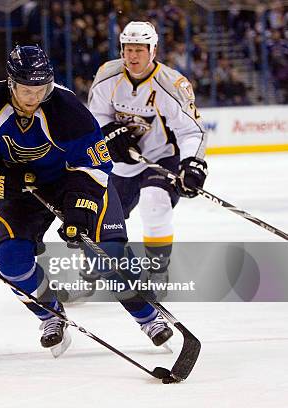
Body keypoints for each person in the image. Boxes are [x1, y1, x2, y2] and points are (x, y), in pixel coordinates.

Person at [0, 45, 173, 357]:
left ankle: (148, 317)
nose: (34, 97)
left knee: (106, 255)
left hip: (74, 182)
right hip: (18, 190)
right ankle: (50, 315)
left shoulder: (67, 109)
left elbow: (97, 167)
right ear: (10, 84)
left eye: (41, 89)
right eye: (26, 90)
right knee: (12, 262)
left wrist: (79, 211)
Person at [88, 22, 207, 297]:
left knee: (155, 202)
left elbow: (191, 130)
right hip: (121, 162)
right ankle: (93, 268)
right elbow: (95, 115)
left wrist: (192, 164)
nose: (133, 56)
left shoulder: (171, 84)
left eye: (140, 49)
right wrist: (108, 132)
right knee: (102, 215)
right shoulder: (108, 75)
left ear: (153, 50)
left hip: (161, 157)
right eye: (128, 49)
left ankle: (157, 269)